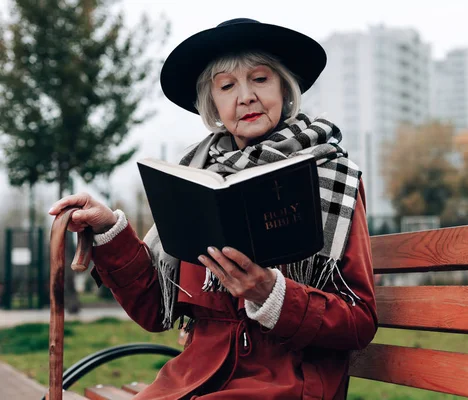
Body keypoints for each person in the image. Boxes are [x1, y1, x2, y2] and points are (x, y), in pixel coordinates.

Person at [49, 18, 377, 400]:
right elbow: (156, 311)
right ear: (213, 105)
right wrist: (110, 231)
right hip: (193, 377)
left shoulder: (333, 177)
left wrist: (273, 295)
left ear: (285, 89)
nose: (246, 97)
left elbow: (359, 321)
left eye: (260, 79)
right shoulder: (195, 179)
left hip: (288, 383)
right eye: (227, 86)